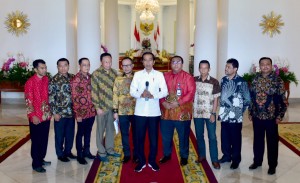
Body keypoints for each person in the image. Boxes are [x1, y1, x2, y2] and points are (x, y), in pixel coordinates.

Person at [248, 57, 287, 175]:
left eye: (267, 64)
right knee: (258, 140)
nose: (265, 66)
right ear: (260, 66)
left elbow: (283, 100)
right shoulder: (255, 79)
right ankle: (257, 161)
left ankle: (272, 165)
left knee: (272, 142)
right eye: (262, 64)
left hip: (271, 116)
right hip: (257, 116)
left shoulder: (277, 80)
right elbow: (251, 97)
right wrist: (250, 112)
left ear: (271, 66)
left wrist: (280, 115)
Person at [130, 52, 168, 172]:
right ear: (142, 62)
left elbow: (165, 91)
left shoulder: (159, 75)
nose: (147, 62)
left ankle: (152, 161)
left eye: (150, 60)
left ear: (154, 61)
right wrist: (140, 94)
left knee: (154, 139)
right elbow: (132, 91)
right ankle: (141, 162)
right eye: (145, 60)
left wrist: (153, 95)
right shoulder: (137, 75)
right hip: (140, 112)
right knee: (139, 138)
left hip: (154, 112)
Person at [159, 55, 195, 166]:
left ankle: (184, 156)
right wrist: (163, 102)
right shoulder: (164, 76)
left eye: (178, 62)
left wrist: (178, 102)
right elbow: (158, 90)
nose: (175, 64)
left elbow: (191, 93)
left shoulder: (188, 77)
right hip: (166, 112)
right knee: (166, 136)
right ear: (170, 64)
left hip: (182, 113)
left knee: (183, 136)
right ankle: (167, 154)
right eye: (173, 62)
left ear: (182, 64)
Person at [218, 58, 251, 169]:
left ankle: (236, 159)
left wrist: (239, 112)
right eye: (226, 66)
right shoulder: (223, 80)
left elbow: (247, 99)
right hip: (224, 115)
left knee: (235, 138)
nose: (226, 69)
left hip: (235, 117)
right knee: (225, 136)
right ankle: (226, 155)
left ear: (235, 69)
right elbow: (222, 96)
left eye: (228, 67)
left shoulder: (241, 81)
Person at [91, 53, 120, 162]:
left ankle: (110, 149)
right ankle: (101, 152)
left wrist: (116, 108)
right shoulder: (96, 74)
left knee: (110, 130)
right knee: (100, 130)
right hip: (101, 108)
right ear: (101, 62)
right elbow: (94, 92)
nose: (108, 64)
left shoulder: (114, 73)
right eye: (106, 62)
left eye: (110, 62)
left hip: (112, 107)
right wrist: (97, 107)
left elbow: (116, 90)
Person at [24, 59, 51, 173]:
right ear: (35, 69)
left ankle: (41, 158)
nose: (44, 70)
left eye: (45, 67)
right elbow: (28, 101)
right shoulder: (30, 82)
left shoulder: (46, 80)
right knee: (36, 140)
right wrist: (32, 115)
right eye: (41, 68)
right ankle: (36, 164)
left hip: (46, 115)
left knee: (44, 139)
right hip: (36, 116)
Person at [193, 60, 221, 169]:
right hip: (197, 113)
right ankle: (202, 155)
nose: (203, 70)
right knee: (199, 135)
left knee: (212, 136)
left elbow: (216, 99)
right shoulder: (194, 80)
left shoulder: (214, 81)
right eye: (201, 68)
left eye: (205, 68)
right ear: (199, 68)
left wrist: (213, 113)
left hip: (209, 113)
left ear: (209, 69)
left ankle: (214, 159)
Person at [49, 58, 76, 163]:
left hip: (71, 112)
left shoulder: (73, 78)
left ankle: (68, 152)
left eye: (65, 65)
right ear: (57, 67)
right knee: (59, 135)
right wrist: (54, 113)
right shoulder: (53, 80)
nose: (63, 68)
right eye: (61, 66)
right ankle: (60, 154)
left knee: (70, 134)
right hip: (59, 113)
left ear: (68, 66)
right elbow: (51, 98)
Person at [71, 58, 96, 165]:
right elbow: (74, 98)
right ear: (79, 66)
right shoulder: (76, 79)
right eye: (84, 65)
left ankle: (87, 151)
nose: (86, 67)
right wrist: (77, 114)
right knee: (80, 133)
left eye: (88, 65)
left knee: (88, 132)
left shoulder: (91, 77)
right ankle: (80, 155)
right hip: (81, 112)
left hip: (91, 111)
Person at [113, 57, 138, 163]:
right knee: (124, 134)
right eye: (124, 65)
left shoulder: (138, 77)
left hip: (136, 110)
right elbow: (115, 94)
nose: (126, 67)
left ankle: (136, 154)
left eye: (128, 65)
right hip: (122, 111)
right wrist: (115, 111)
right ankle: (127, 154)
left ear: (132, 66)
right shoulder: (118, 79)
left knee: (137, 133)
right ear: (121, 66)